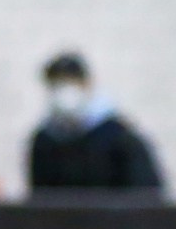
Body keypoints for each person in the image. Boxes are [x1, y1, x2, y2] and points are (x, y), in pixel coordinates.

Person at [26, 52, 164, 194]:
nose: (64, 90)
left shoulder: (120, 138)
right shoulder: (45, 140)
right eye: (56, 84)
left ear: (87, 84)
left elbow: (147, 195)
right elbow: (40, 199)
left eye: (71, 82)